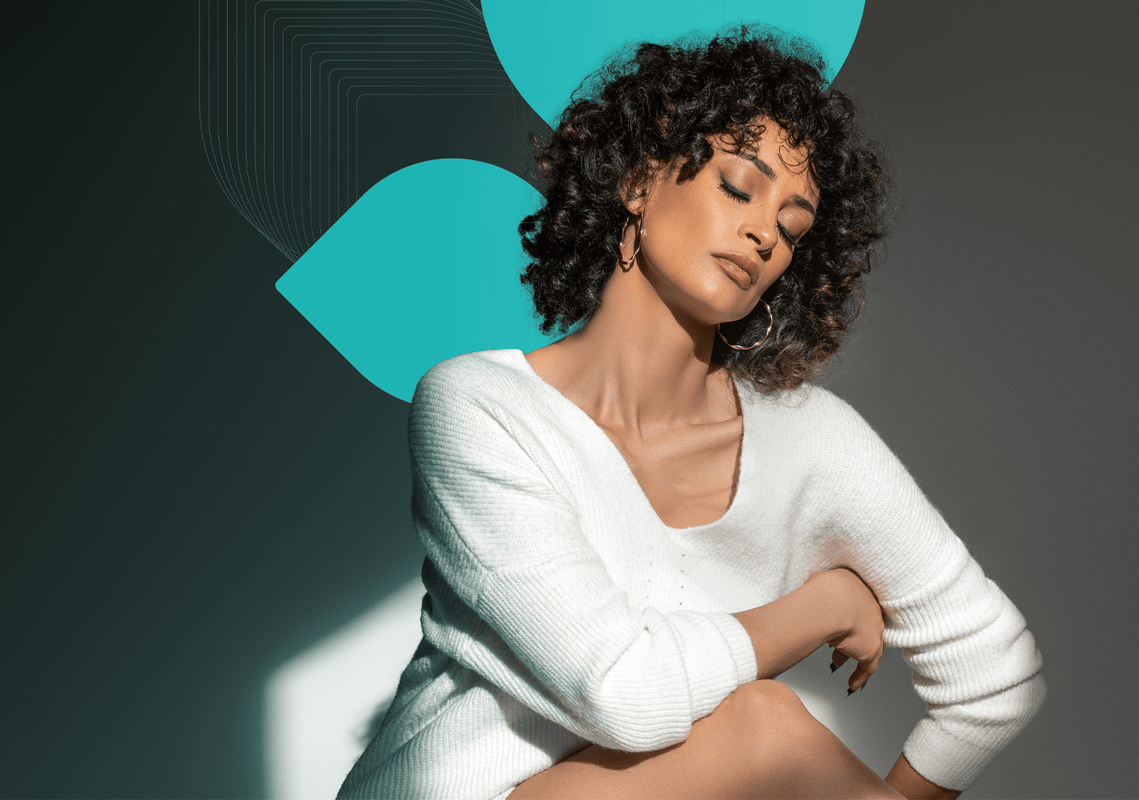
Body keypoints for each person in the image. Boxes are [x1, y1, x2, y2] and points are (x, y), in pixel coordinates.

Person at [338, 27, 1044, 800]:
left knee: (763, 733)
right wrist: (824, 605)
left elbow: (994, 676)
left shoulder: (812, 439)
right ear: (639, 182)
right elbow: (622, 694)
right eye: (738, 189)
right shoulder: (481, 406)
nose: (762, 234)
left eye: (792, 225)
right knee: (763, 725)